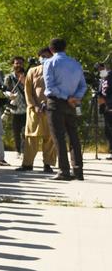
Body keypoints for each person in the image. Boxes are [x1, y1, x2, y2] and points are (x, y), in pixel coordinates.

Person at [43, 38, 87, 181]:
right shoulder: (75, 63)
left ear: (51, 50)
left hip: (56, 102)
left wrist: (65, 97)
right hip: (72, 103)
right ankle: (78, 170)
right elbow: (83, 86)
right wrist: (75, 97)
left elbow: (50, 86)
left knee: (59, 137)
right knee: (73, 136)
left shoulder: (49, 62)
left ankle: (64, 170)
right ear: (65, 47)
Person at [16, 48, 57, 173]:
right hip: (34, 110)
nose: (44, 58)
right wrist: (34, 106)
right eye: (42, 56)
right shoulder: (32, 71)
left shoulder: (55, 71)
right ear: (38, 58)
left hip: (50, 109)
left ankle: (48, 164)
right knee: (30, 137)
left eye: (47, 56)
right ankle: (27, 164)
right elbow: (27, 91)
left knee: (50, 137)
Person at [5, 57, 29, 156]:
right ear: (13, 65)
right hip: (14, 108)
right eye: (16, 63)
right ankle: (18, 151)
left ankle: (24, 151)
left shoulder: (27, 75)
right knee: (16, 132)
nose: (18, 65)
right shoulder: (9, 77)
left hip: (26, 108)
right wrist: (9, 94)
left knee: (25, 131)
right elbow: (4, 90)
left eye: (20, 63)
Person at [97, 62, 112, 160]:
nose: (99, 71)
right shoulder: (103, 77)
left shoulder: (110, 76)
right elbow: (101, 91)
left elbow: (107, 91)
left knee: (110, 129)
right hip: (105, 107)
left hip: (110, 105)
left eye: (100, 69)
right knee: (108, 130)